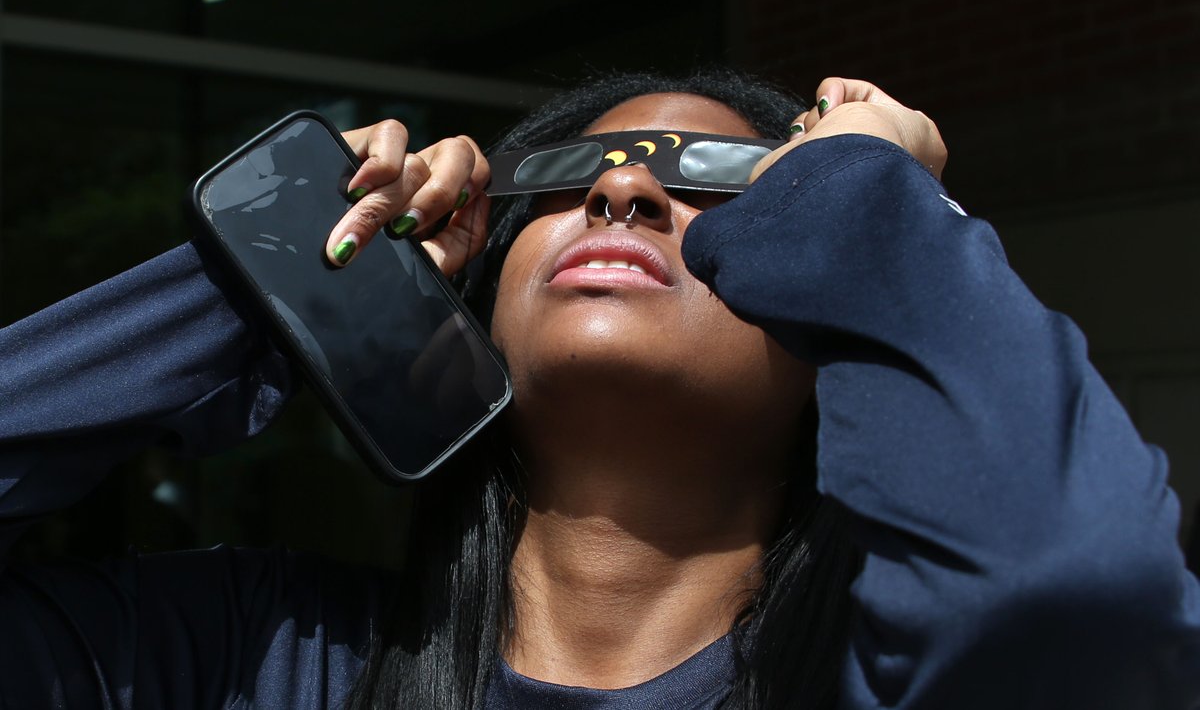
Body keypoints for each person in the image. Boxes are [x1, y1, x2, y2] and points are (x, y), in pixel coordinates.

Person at [1, 70, 1197, 710]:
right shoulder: (259, 655)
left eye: (730, 184)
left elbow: (1070, 591)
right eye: (574, 176)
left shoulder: (881, 677)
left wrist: (877, 212)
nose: (623, 195)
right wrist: (272, 283)